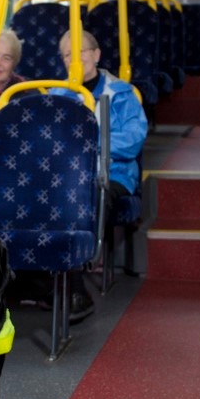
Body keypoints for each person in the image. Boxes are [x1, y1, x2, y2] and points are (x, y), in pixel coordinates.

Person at [49, 29, 148, 317]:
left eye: (81, 51)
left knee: (86, 197)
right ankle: (71, 286)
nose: (75, 59)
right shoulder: (58, 94)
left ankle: (74, 282)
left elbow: (132, 140)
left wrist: (89, 144)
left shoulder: (122, 93)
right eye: (68, 54)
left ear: (96, 55)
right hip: (68, 175)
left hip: (114, 172)